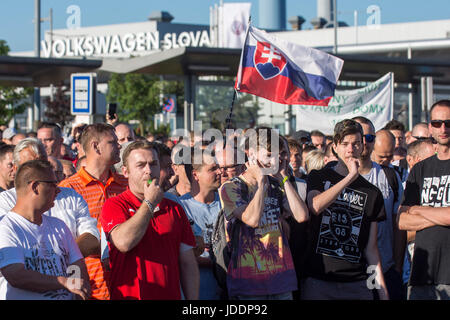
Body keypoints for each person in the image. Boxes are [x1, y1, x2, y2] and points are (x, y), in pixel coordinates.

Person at [100, 140, 199, 300]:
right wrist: (149, 203)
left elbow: (188, 263)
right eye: (140, 165)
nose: (148, 171)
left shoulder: (174, 208)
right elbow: (123, 243)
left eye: (153, 164)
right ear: (125, 172)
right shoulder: (114, 205)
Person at [219, 127, 309, 300]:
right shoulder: (232, 187)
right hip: (248, 283)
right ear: (251, 154)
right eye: (269, 154)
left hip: (281, 280)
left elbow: (301, 216)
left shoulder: (278, 185)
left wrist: (283, 177)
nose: (276, 159)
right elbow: (251, 219)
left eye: (281, 154)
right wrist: (261, 182)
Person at [303, 119, 389, 300]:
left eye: (356, 143)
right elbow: (315, 206)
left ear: (362, 145)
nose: (351, 149)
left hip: (356, 283)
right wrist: (350, 177)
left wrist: (381, 291)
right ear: (335, 146)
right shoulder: (319, 176)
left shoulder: (372, 192)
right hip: (319, 279)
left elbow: (371, 250)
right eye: (345, 144)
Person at [0, 160, 91, 300]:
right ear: (35, 187)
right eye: (53, 184)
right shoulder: (7, 227)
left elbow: (77, 264)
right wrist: (64, 282)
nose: (59, 190)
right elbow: (15, 274)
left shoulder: (59, 226)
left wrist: (79, 291)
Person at [59, 123, 128, 300]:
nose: (119, 145)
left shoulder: (126, 185)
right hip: (90, 284)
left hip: (129, 281)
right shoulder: (68, 189)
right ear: (95, 146)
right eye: (113, 142)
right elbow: (63, 244)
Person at [0, 138, 100, 257]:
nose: (39, 170)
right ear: (16, 169)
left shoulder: (71, 196)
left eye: (43, 163)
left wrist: (62, 260)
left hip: (71, 272)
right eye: (31, 165)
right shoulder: (5, 201)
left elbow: (91, 235)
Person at [397, 99, 450, 300]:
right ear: (430, 127)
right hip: (421, 274)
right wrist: (441, 213)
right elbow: (402, 220)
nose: (443, 128)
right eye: (437, 123)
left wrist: (419, 209)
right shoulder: (420, 169)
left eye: (448, 123)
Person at [353, 116, 405, 300]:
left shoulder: (390, 176)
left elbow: (398, 226)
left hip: (385, 267)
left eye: (370, 138)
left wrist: (397, 267)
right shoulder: (335, 175)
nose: (365, 143)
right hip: (351, 272)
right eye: (360, 137)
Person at [179, 148, 222, 300]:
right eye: (212, 169)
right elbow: (180, 253)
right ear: (195, 174)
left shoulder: (227, 201)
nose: (219, 172)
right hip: (198, 292)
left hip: (229, 291)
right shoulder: (180, 206)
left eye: (218, 167)